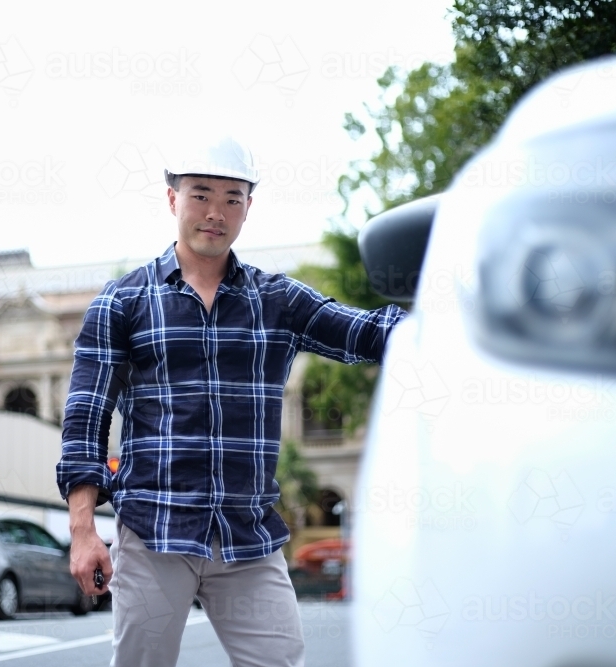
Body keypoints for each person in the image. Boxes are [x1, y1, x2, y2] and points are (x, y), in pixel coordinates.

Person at [56, 135, 407, 667]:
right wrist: (83, 531)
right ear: (173, 199)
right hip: (155, 533)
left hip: (248, 537)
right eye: (201, 195)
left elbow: (368, 335)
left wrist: (462, 311)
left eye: (232, 198)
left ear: (248, 207)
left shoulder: (278, 300)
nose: (215, 212)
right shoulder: (121, 303)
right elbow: (85, 420)